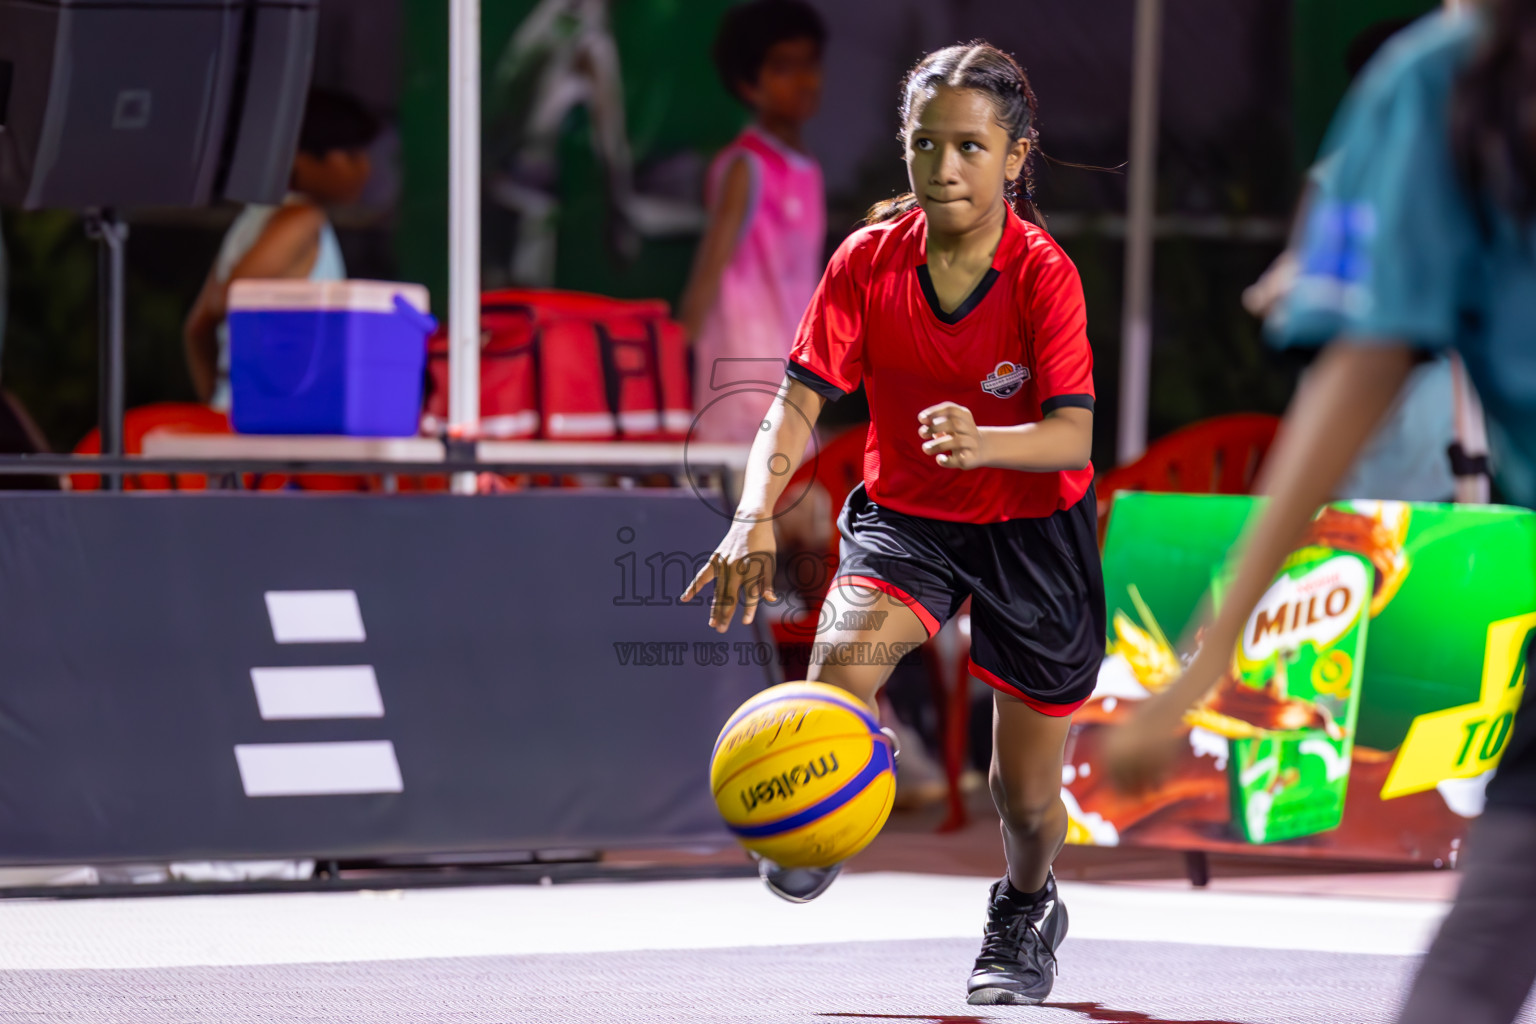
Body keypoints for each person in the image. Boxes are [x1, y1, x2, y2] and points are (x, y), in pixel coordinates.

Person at [1102, 3, 1536, 1023]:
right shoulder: (1445, 81)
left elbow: (1353, 380)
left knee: (1474, 966)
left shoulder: (1439, 78)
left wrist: (1201, 665)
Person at [683, 42, 1099, 1006]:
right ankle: (809, 816)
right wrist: (753, 512)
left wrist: (989, 441)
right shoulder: (867, 263)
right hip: (909, 519)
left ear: (1014, 157)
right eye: (925, 144)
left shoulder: (1045, 276)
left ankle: (1027, 904)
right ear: (904, 150)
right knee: (836, 677)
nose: (945, 167)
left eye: (970, 146)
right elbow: (793, 407)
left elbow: (1071, 440)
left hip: (1033, 534)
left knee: (1025, 798)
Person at [677, 0, 826, 444]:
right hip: (740, 388)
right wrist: (674, 364)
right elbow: (706, 275)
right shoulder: (744, 166)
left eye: (810, 64)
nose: (804, 80)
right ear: (748, 84)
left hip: (795, 382)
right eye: (783, 68)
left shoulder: (807, 169)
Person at [183, 89, 379, 411]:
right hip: (279, 417)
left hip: (247, 412)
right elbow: (237, 295)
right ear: (301, 157)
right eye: (351, 156)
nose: (365, 169)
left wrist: (217, 405)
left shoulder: (255, 218)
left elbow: (199, 326)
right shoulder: (301, 219)